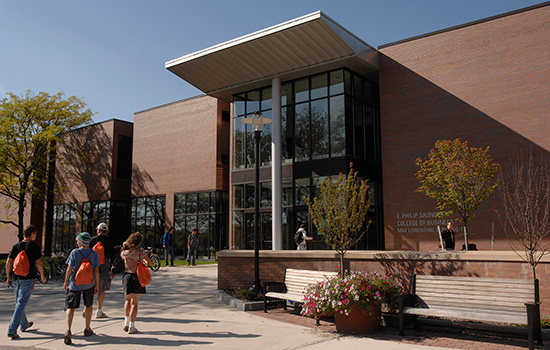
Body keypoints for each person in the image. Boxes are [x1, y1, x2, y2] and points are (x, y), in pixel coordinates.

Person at [6, 225, 46, 339]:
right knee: (21, 303)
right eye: (35, 234)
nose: (36, 236)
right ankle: (12, 329)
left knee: (19, 302)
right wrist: (42, 275)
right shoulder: (33, 247)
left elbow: (9, 262)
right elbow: (39, 263)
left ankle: (24, 324)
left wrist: (8, 277)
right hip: (27, 279)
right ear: (32, 233)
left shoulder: (16, 246)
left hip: (15, 279)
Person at [63, 232, 100, 345]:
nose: (76, 242)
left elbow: (70, 268)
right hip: (89, 283)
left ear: (81, 241)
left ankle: (68, 330)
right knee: (88, 305)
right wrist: (97, 284)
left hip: (75, 284)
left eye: (77, 240)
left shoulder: (75, 252)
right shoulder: (94, 254)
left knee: (71, 307)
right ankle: (87, 328)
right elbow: (96, 270)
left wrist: (66, 281)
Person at [121, 232, 153, 334]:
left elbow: (121, 254)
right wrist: (147, 263)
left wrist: (124, 246)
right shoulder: (140, 252)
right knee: (134, 303)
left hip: (127, 276)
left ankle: (126, 322)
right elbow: (150, 262)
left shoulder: (125, 253)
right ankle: (132, 325)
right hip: (137, 277)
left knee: (127, 300)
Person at [88, 222, 115, 318]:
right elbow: (113, 256)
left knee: (90, 288)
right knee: (102, 289)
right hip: (104, 265)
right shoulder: (109, 241)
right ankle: (99, 311)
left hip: (92, 266)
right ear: (106, 231)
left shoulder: (92, 240)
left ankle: (87, 308)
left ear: (98, 230)